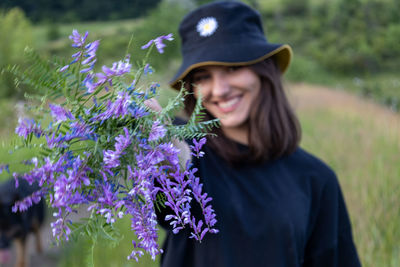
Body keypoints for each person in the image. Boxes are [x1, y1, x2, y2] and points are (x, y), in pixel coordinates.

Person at [155, 1, 362, 266]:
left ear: (265, 70)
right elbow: (171, 171)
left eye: (232, 68)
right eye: (203, 77)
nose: (219, 90)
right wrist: (155, 133)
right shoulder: (185, 151)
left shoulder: (315, 179)